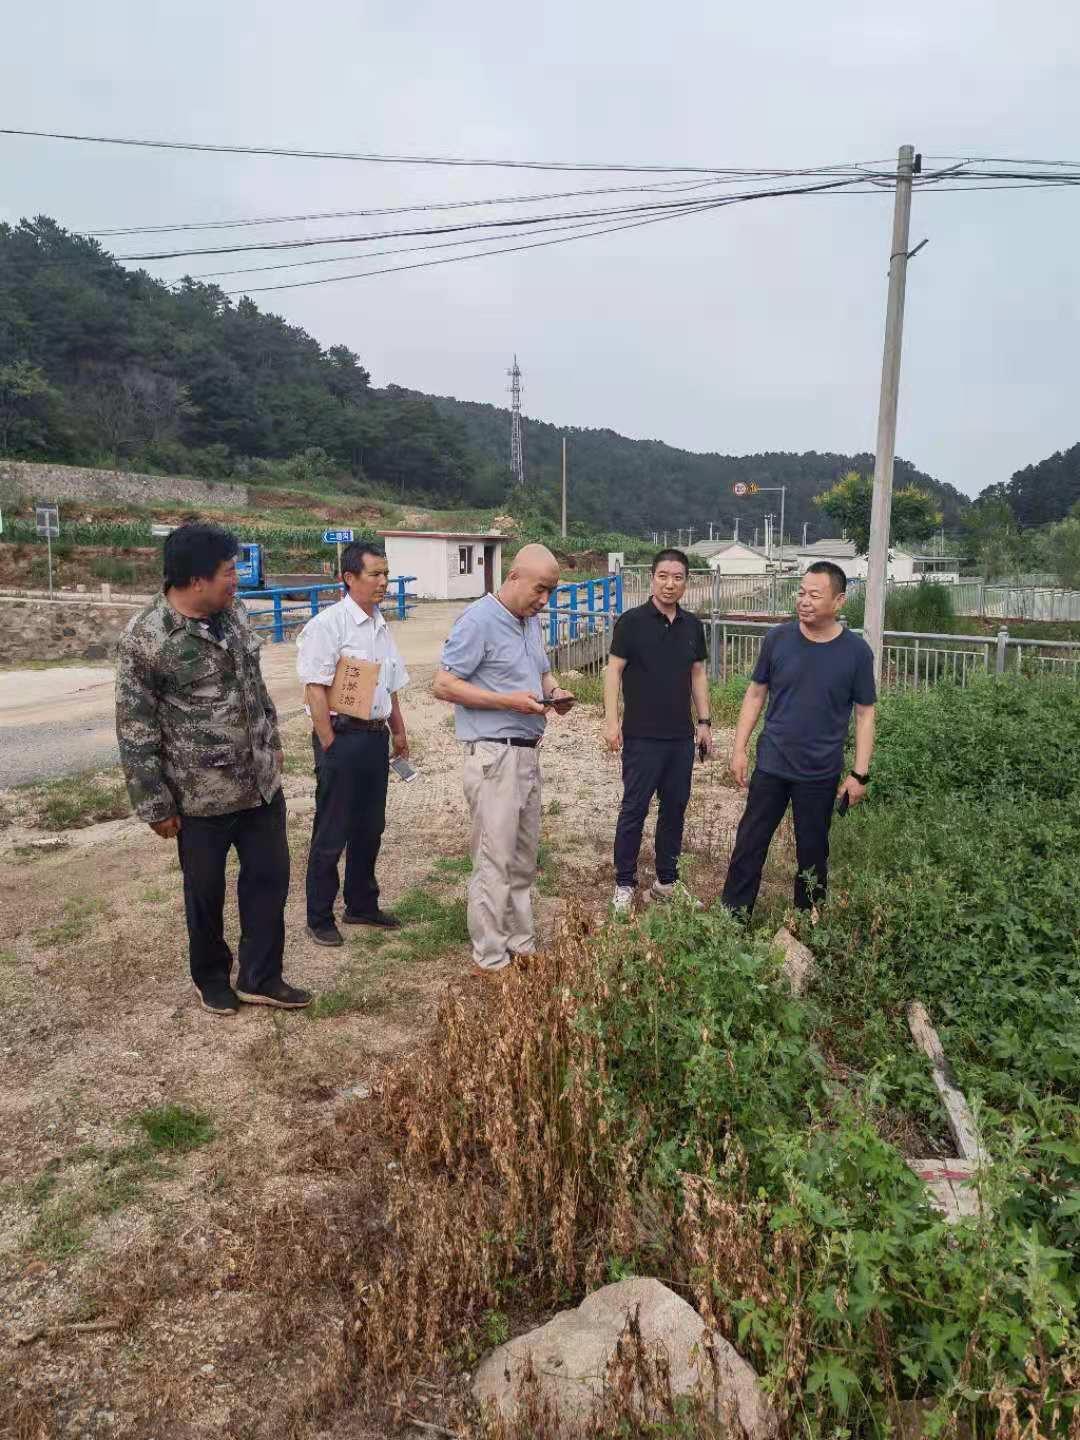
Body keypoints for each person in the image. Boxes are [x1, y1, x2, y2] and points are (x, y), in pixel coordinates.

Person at [115, 523, 310, 1015]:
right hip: (199, 796)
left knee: (269, 880)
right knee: (205, 892)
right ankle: (211, 977)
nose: (236, 580)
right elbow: (135, 728)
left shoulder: (234, 614)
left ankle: (261, 975)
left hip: (260, 784)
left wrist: (273, 741)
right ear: (196, 579)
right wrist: (154, 803)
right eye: (229, 571)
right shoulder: (147, 638)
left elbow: (256, 686)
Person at [432, 544, 574, 974]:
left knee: (523, 858)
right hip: (495, 755)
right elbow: (444, 684)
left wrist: (554, 692)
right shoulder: (478, 620)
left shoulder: (530, 621)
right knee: (494, 859)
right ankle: (491, 957)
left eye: (551, 592)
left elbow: (542, 671)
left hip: (527, 753)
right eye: (539, 589)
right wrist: (507, 702)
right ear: (514, 577)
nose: (544, 600)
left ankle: (521, 944)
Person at [720, 561, 876, 917]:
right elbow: (755, 694)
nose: (804, 601)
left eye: (814, 595)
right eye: (801, 592)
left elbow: (865, 714)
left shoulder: (856, 652)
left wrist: (860, 774)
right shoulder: (778, 639)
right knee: (749, 844)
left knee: (813, 853)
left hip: (819, 772)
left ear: (838, 601)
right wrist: (739, 748)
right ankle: (732, 918)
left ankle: (807, 924)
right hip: (772, 764)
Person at [295, 541, 410, 947]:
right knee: (333, 829)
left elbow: (390, 684)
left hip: (375, 737)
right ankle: (319, 916)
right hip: (341, 738)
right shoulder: (328, 626)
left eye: (386, 574)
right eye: (375, 574)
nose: (384, 582)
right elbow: (314, 688)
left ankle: (361, 903)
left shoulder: (380, 625)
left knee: (370, 827)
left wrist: (398, 730)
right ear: (349, 578)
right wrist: (329, 743)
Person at [604, 548, 711, 913]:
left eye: (677, 578)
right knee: (634, 809)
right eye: (663, 576)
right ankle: (624, 883)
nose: (670, 584)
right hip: (641, 736)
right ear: (652, 578)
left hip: (680, 737)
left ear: (686, 583)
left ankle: (667, 882)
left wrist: (705, 722)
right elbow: (613, 672)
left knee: (674, 809)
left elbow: (698, 674)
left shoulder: (692, 625)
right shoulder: (631, 622)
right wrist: (611, 721)